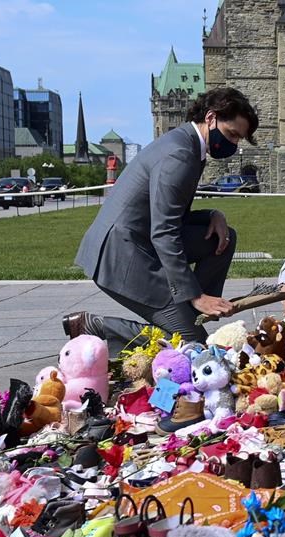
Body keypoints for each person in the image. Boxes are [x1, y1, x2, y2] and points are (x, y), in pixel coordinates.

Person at [64, 87, 259, 353]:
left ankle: (189, 312)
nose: (233, 145)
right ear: (211, 118)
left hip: (139, 241)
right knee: (192, 344)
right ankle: (96, 327)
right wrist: (196, 295)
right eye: (232, 134)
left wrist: (214, 215)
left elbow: (166, 212)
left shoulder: (187, 144)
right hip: (122, 255)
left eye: (239, 139)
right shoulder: (180, 154)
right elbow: (164, 231)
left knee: (223, 236)